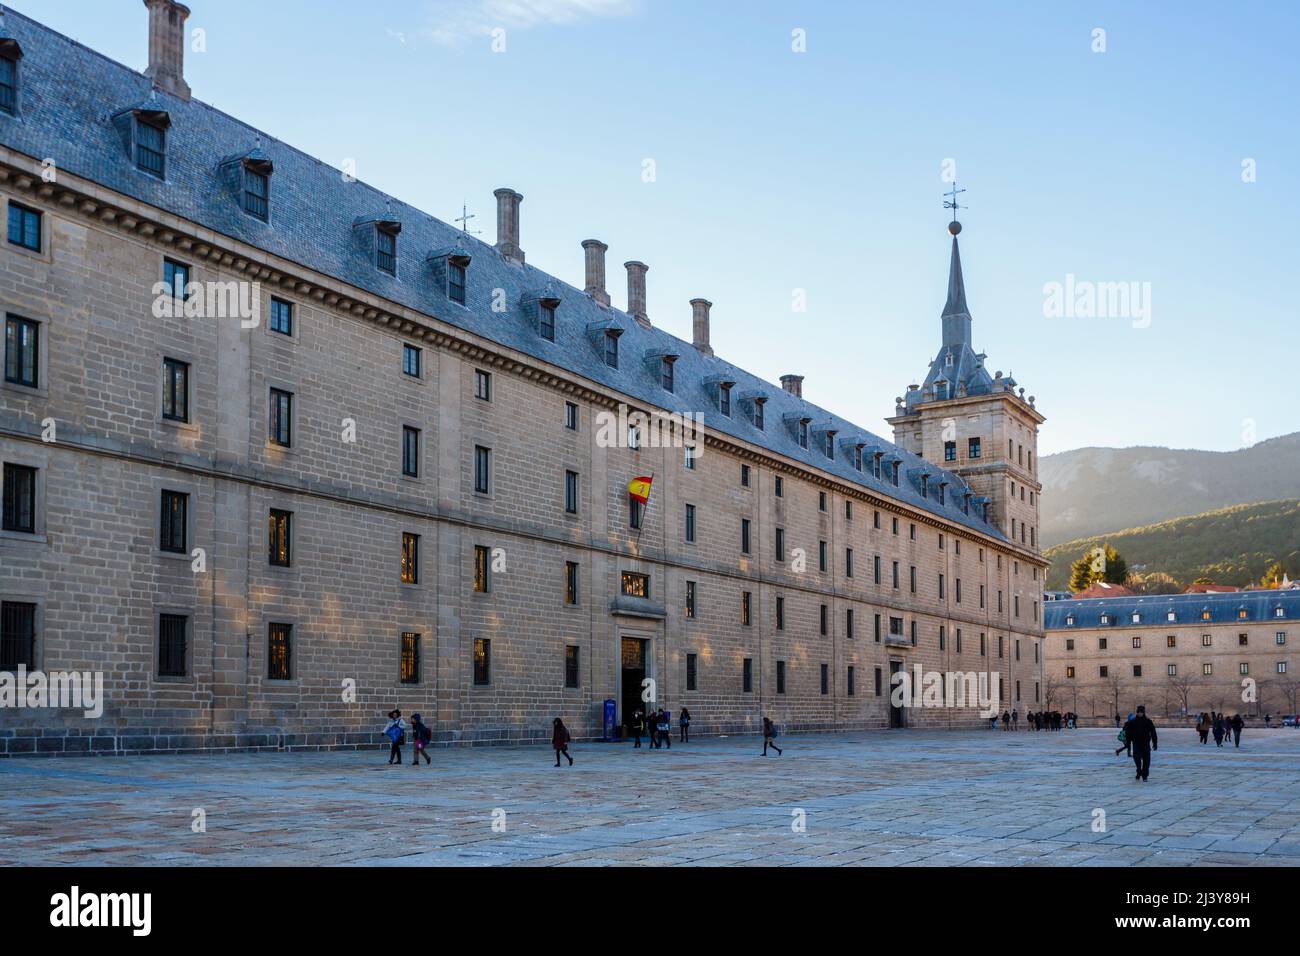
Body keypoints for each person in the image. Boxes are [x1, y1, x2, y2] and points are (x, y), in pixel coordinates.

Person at [1123, 705, 1158, 781]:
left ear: (1143, 712)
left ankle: (1145, 775)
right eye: (1139, 712)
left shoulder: (1148, 721)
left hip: (1145, 744)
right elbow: (1128, 735)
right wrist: (1128, 746)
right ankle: (1139, 771)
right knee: (1137, 759)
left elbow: (1153, 733)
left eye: (1141, 712)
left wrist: (1155, 743)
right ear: (1137, 712)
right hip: (1136, 744)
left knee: (1146, 761)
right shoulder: (1132, 722)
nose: (1140, 713)